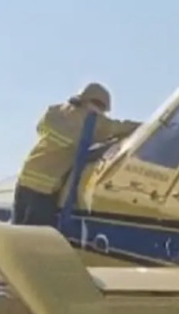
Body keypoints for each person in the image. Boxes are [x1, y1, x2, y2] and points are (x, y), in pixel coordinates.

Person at [13, 82, 142, 226]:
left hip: (25, 176)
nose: (103, 113)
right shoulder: (93, 122)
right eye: (102, 109)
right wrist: (151, 126)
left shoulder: (56, 111)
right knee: (38, 236)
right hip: (44, 187)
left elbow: (40, 128)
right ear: (94, 103)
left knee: (17, 231)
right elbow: (120, 127)